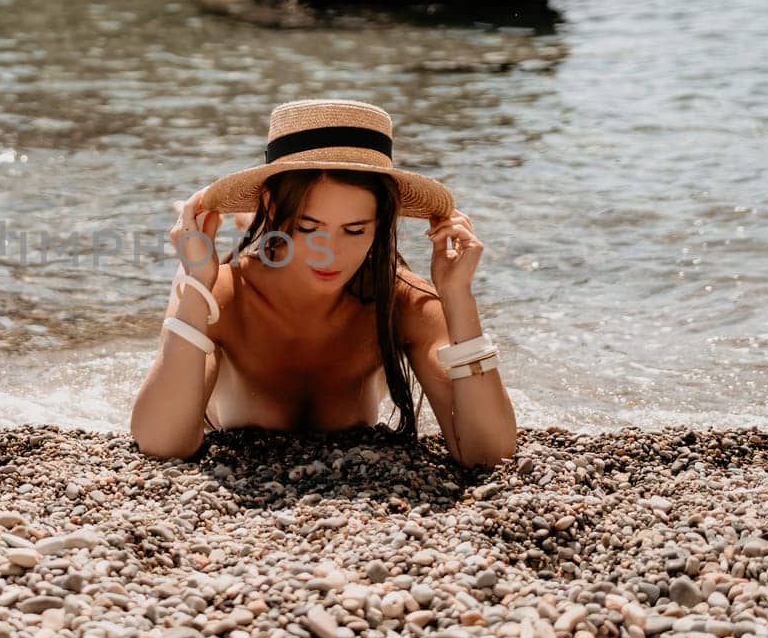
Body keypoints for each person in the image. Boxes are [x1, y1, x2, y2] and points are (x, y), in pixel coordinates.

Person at [129, 98, 517, 467]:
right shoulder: (222, 296)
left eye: (354, 230)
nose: (328, 252)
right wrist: (196, 280)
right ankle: (246, 222)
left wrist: (457, 296)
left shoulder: (403, 300)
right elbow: (162, 445)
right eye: (309, 227)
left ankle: (258, 224)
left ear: (382, 223)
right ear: (273, 206)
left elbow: (487, 453)